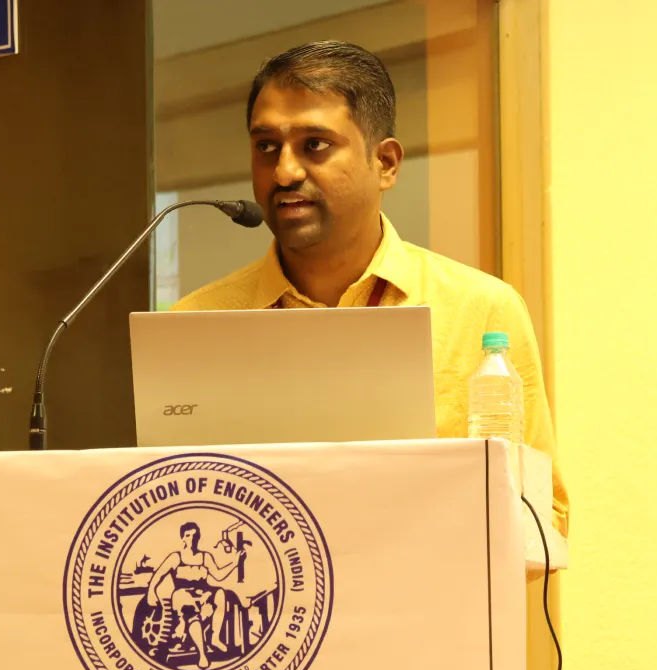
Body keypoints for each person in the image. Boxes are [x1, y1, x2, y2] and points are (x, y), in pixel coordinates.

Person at [170, 41, 568, 537]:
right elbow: (169, 513)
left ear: (386, 164)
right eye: (266, 146)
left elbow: (543, 523)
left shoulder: (479, 311)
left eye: (315, 144)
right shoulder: (195, 323)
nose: (285, 171)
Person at [145, 522, 244, 669]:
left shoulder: (205, 557)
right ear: (183, 538)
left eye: (195, 535)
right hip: (182, 593)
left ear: (199, 537)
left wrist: (234, 563)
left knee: (220, 593)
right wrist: (151, 592)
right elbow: (158, 575)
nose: (192, 538)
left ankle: (215, 638)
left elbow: (218, 575)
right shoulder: (176, 557)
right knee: (191, 612)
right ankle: (202, 654)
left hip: (203, 592)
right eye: (188, 535)